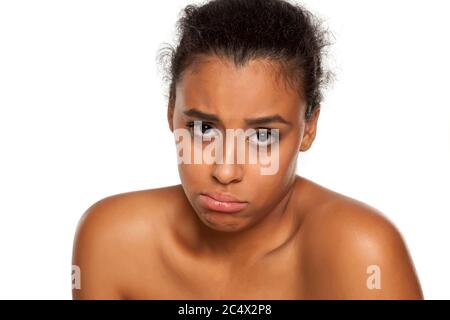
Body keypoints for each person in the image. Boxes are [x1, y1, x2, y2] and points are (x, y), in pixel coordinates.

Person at [72, 0, 423, 299]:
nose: (225, 171)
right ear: (171, 112)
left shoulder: (361, 253)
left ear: (309, 128)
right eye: (204, 128)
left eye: (262, 136)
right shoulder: (113, 240)